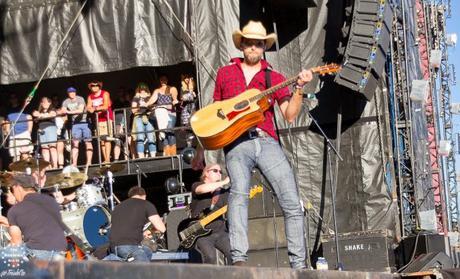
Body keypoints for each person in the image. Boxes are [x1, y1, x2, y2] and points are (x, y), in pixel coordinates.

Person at [192, 21, 313, 269]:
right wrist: (200, 148)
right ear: (243, 45)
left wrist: (299, 88)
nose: (254, 47)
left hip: (266, 140)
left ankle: (299, 265)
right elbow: (214, 114)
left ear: (263, 47)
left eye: (259, 43)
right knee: (238, 196)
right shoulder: (225, 73)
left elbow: (289, 115)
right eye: (249, 43)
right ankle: (238, 258)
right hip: (236, 143)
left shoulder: (273, 77)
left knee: (291, 200)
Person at [5, 174, 67, 260]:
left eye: (12, 190)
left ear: (17, 187)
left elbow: (17, 243)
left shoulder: (15, 210)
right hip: (60, 250)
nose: (13, 194)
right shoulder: (51, 201)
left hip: (40, 253)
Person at [109, 186, 166, 262]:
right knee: (145, 272)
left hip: (113, 247)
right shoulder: (146, 204)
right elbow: (162, 228)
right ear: (144, 196)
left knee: (147, 251)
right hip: (129, 246)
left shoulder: (117, 207)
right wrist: (151, 231)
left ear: (130, 197)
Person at [190, 164, 231, 264]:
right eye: (215, 171)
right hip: (202, 233)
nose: (219, 174)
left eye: (220, 172)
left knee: (233, 254)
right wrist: (225, 182)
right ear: (206, 173)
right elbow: (202, 189)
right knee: (210, 257)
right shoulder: (197, 185)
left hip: (220, 232)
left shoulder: (223, 193)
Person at [61, 87, 93, 167]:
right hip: (75, 124)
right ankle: (74, 163)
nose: (72, 93)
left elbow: (80, 110)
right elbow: (62, 110)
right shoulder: (66, 101)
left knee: (88, 142)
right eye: (70, 92)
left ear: (75, 92)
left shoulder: (80, 99)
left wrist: (68, 112)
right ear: (68, 93)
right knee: (75, 143)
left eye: (73, 92)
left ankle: (89, 162)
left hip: (85, 122)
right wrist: (65, 111)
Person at [149, 75, 179, 156]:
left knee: (169, 130)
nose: (163, 81)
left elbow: (174, 96)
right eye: (161, 80)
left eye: (164, 79)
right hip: (161, 114)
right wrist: (146, 104)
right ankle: (167, 152)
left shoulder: (172, 88)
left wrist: (175, 100)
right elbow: (152, 100)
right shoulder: (157, 90)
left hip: (170, 113)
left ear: (167, 80)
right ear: (160, 81)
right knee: (163, 133)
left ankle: (173, 152)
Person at [87, 81, 114, 163]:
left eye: (96, 85)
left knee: (107, 139)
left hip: (106, 118)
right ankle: (105, 158)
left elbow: (106, 106)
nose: (94, 87)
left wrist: (94, 108)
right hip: (98, 120)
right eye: (93, 86)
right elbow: (88, 106)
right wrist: (90, 108)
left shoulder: (105, 93)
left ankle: (108, 159)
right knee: (101, 140)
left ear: (99, 86)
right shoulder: (90, 96)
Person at [131, 83, 157, 158]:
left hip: (148, 117)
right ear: (138, 89)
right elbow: (133, 110)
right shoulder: (136, 97)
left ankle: (153, 155)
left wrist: (148, 106)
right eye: (141, 88)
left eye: (144, 88)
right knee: (140, 137)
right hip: (139, 117)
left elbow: (153, 108)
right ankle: (141, 156)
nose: (142, 90)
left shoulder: (150, 97)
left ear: (147, 89)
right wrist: (140, 107)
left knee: (151, 136)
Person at [4, 97, 33, 162]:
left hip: (24, 133)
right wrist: (8, 132)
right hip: (13, 135)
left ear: (17, 99)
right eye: (12, 98)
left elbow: (29, 117)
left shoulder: (23, 108)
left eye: (15, 97)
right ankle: (17, 171)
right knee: (15, 155)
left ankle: (28, 170)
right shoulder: (8, 110)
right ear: (10, 100)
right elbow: (7, 121)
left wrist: (29, 131)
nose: (13, 99)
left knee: (26, 154)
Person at [32, 97, 58, 168]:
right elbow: (35, 115)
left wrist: (40, 116)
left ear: (50, 103)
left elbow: (52, 115)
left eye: (46, 102)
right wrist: (42, 115)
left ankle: (55, 165)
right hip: (41, 129)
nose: (44, 103)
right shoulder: (38, 111)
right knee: (44, 147)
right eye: (43, 102)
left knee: (52, 146)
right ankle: (47, 165)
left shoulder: (52, 109)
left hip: (51, 128)